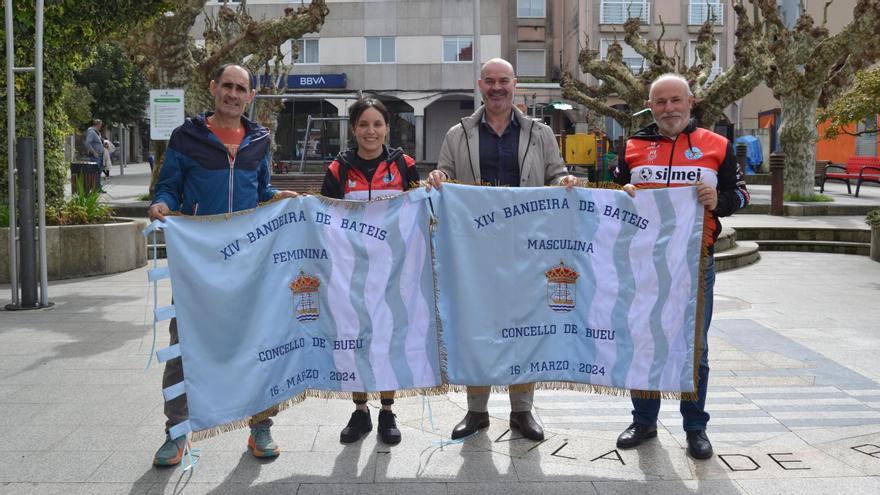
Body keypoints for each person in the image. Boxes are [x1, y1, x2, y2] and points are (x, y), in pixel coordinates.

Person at [148, 63, 298, 466]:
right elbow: (168, 186)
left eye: (241, 88)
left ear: (250, 96)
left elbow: (259, 188)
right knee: (184, 346)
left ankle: (261, 428)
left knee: (261, 344)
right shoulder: (186, 137)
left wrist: (274, 196)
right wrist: (162, 203)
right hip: (199, 265)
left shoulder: (259, 140)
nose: (233, 94)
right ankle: (177, 433)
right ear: (213, 89)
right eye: (227, 86)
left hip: (250, 264)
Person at [425, 57, 579, 442]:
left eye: (503, 81)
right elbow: (444, 174)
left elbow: (555, 174)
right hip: (474, 251)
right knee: (478, 325)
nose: (497, 88)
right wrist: (439, 177)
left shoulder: (540, 133)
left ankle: (521, 412)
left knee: (525, 326)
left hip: (526, 249)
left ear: (515, 86)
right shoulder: (457, 133)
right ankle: (476, 411)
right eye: (490, 81)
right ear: (480, 85)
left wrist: (566, 180)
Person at [612, 73, 749, 460]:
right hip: (643, 262)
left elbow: (741, 194)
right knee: (643, 338)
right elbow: (613, 191)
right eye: (660, 102)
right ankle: (643, 420)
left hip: (695, 262)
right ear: (650, 106)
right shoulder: (634, 145)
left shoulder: (717, 145)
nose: (668, 108)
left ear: (690, 102)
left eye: (676, 101)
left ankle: (695, 427)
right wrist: (623, 193)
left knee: (695, 348)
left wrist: (718, 199)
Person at [320, 98, 419, 444]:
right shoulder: (338, 169)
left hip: (395, 270)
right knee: (356, 338)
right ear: (353, 129)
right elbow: (325, 217)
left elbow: (418, 216)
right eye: (364, 125)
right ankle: (360, 411)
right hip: (352, 270)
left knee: (390, 338)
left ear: (387, 128)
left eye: (377, 124)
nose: (371, 131)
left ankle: (388, 412)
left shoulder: (404, 165)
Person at [85, 119, 104, 187]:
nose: (101, 126)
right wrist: (94, 152)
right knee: (96, 171)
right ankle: (95, 187)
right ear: (98, 124)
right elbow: (87, 143)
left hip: (100, 155)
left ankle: (98, 186)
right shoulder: (91, 132)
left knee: (99, 171)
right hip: (95, 155)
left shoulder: (97, 132)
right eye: (101, 125)